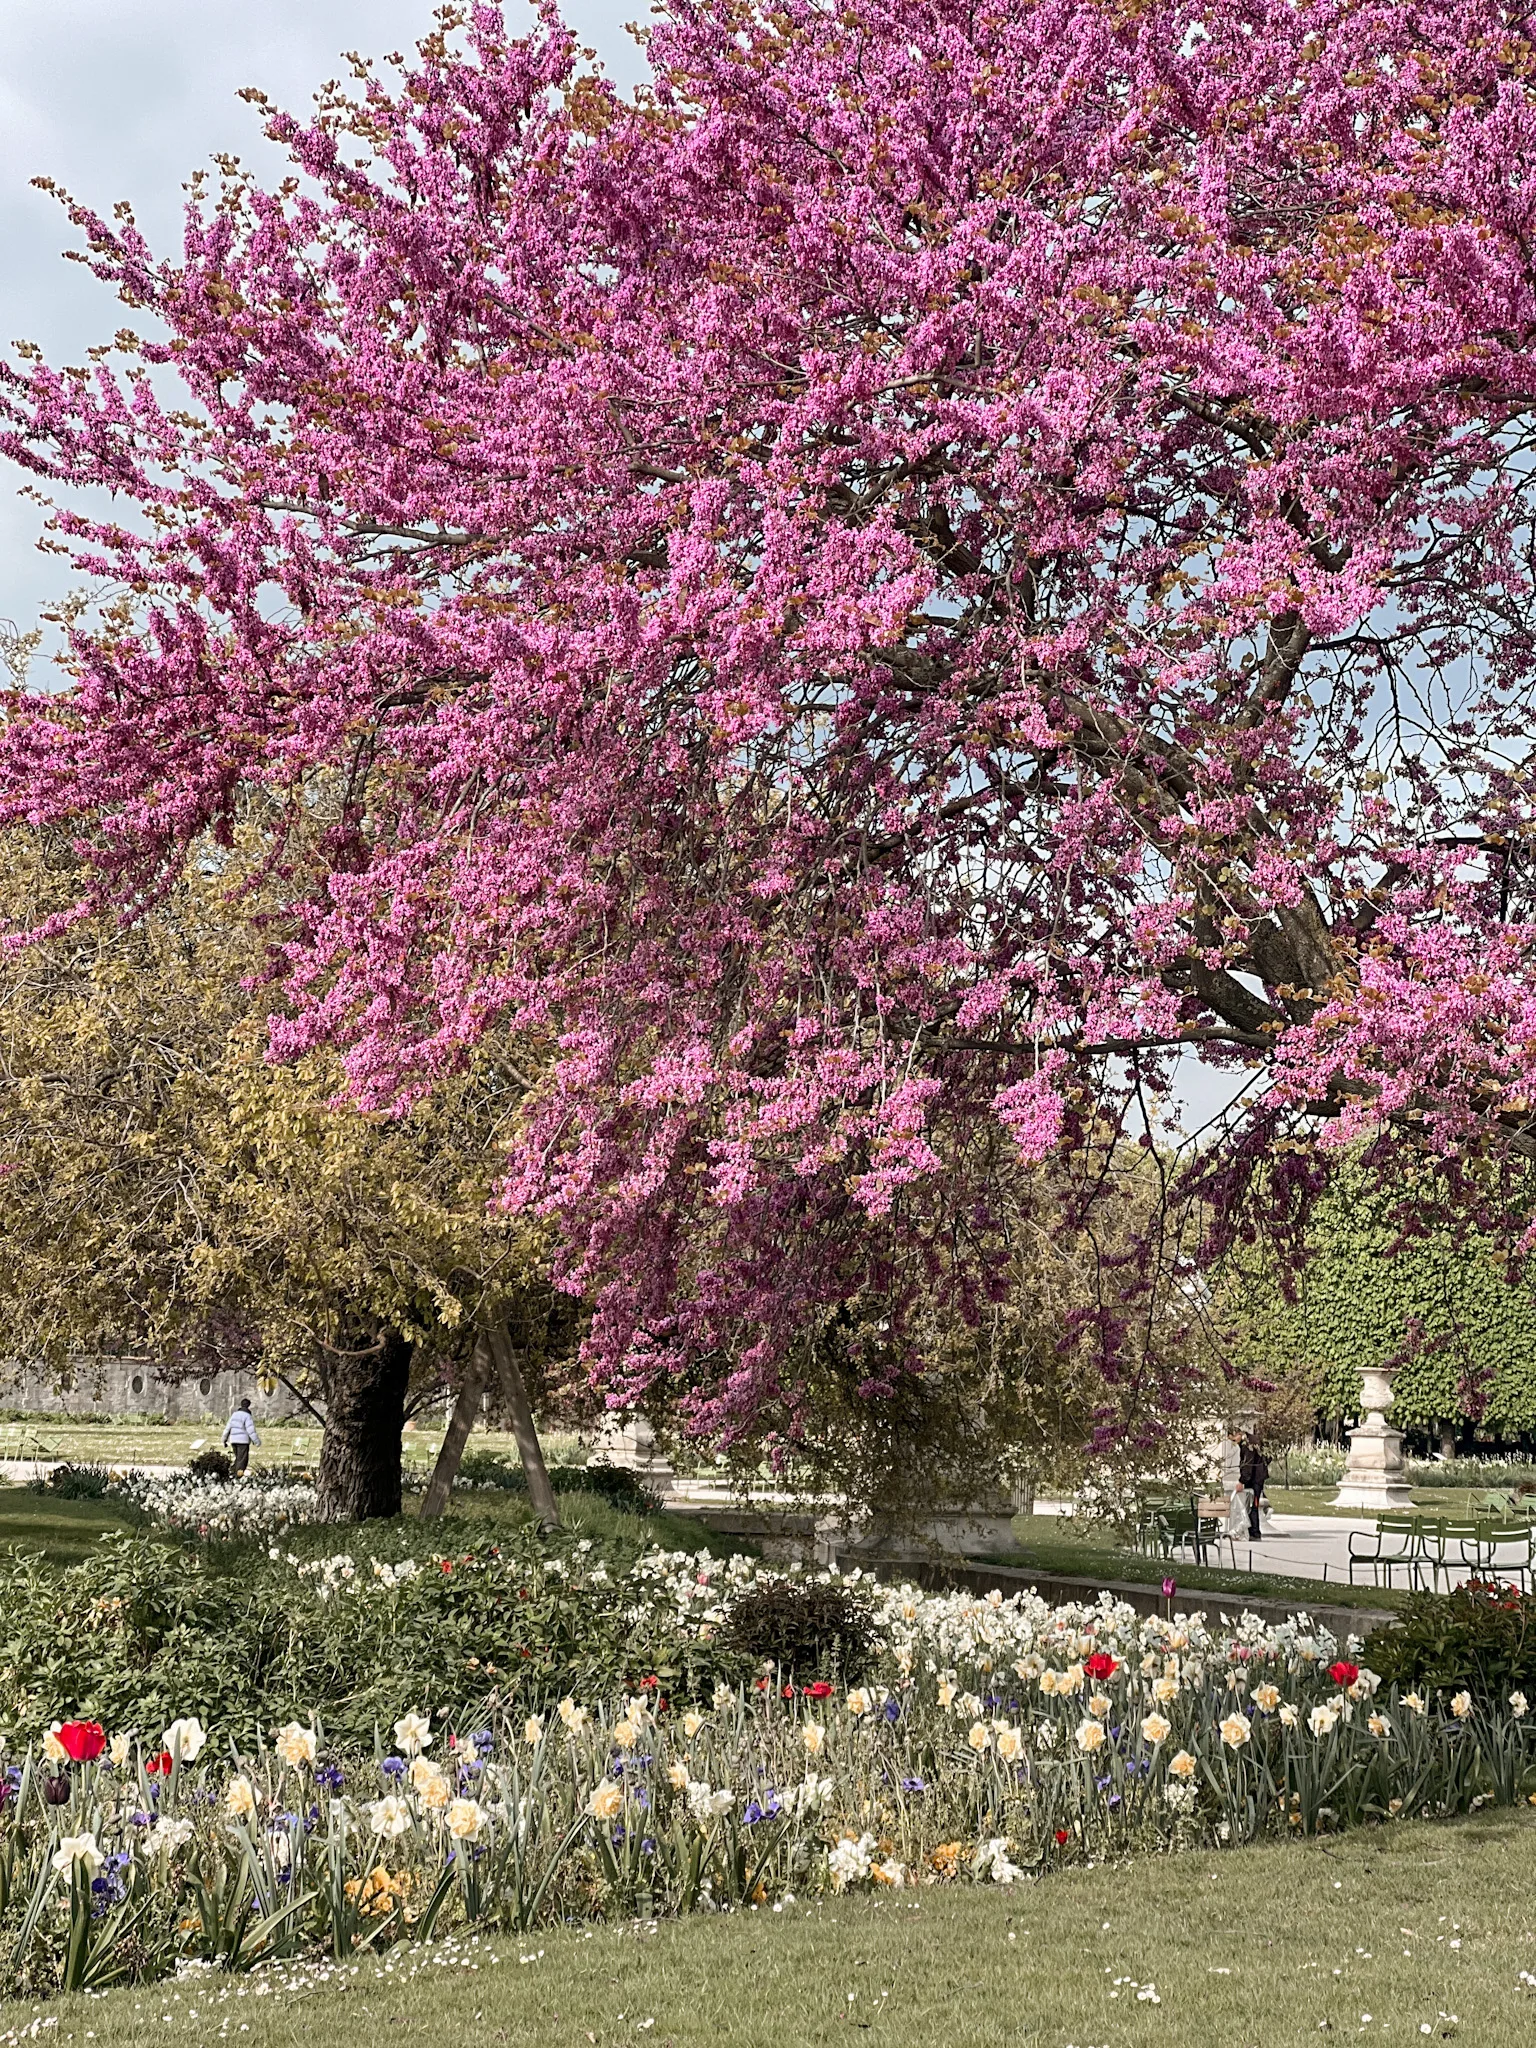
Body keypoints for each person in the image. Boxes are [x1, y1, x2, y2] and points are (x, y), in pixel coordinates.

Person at [1239, 1434, 1269, 1541]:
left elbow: (1248, 1464)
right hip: (1258, 1478)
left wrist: (1242, 1480)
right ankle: (1252, 1531)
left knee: (1253, 1505)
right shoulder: (1254, 1441)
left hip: (1254, 1480)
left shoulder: (1248, 1445)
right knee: (1252, 1504)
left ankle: (1255, 1532)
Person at [222, 1398, 261, 1475]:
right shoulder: (247, 1416)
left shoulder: (234, 1415)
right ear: (248, 1405)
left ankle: (232, 1473)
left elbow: (227, 1428)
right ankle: (238, 1476)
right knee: (242, 1460)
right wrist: (257, 1442)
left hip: (233, 1440)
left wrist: (224, 1440)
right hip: (243, 1441)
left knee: (238, 1458)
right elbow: (251, 1431)